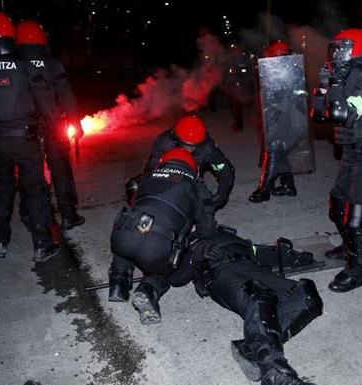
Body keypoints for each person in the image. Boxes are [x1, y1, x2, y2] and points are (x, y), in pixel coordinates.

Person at [0, 10, 59, 262]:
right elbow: (44, 102)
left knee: (0, 190)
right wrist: (54, 129)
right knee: (35, 190)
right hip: (26, 140)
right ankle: (41, 245)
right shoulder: (25, 66)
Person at [169, 225, 322, 385]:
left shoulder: (222, 231)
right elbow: (174, 279)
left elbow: (257, 251)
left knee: (307, 297)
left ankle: (252, 347)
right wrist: (194, 258)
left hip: (253, 266)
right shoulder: (182, 242)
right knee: (259, 297)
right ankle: (273, 372)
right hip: (221, 272)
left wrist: (292, 257)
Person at [311, 28, 362, 292]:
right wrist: (322, 87)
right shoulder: (347, 74)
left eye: (340, 49)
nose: (335, 55)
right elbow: (319, 115)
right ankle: (349, 246)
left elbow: (343, 113)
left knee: (356, 218)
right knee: (337, 206)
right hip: (353, 150)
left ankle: (356, 271)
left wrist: (334, 87)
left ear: (355, 50)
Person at [109, 148, 216, 324]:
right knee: (165, 269)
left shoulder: (145, 178)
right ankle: (148, 289)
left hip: (123, 237)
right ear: (193, 169)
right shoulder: (196, 187)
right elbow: (207, 231)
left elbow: (136, 203)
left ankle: (118, 283)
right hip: (156, 247)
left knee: (129, 230)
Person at [15, 20, 85, 230]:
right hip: (54, 128)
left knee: (29, 174)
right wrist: (75, 122)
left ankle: (30, 216)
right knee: (61, 171)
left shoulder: (15, 66)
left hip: (27, 130)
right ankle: (67, 215)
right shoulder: (53, 65)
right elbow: (67, 97)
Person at [142, 114, 234, 211]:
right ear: (175, 138)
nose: (188, 150)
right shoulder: (164, 142)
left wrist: (220, 197)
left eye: (192, 147)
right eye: (185, 145)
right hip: (166, 177)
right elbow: (151, 167)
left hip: (192, 180)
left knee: (206, 208)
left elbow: (224, 170)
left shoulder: (207, 147)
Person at [249, 41, 299, 203]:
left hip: (285, 119)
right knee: (280, 152)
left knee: (273, 152)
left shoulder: (289, 71)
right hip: (281, 118)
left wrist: (278, 106)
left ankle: (265, 189)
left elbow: (292, 96)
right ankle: (288, 185)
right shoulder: (284, 70)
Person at [222, 44, 253, 132]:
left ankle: (239, 125)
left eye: (235, 49)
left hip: (238, 85)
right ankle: (236, 122)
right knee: (232, 105)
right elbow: (225, 71)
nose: (233, 51)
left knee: (237, 106)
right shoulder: (229, 59)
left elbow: (246, 70)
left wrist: (238, 71)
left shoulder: (243, 59)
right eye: (232, 49)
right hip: (230, 84)